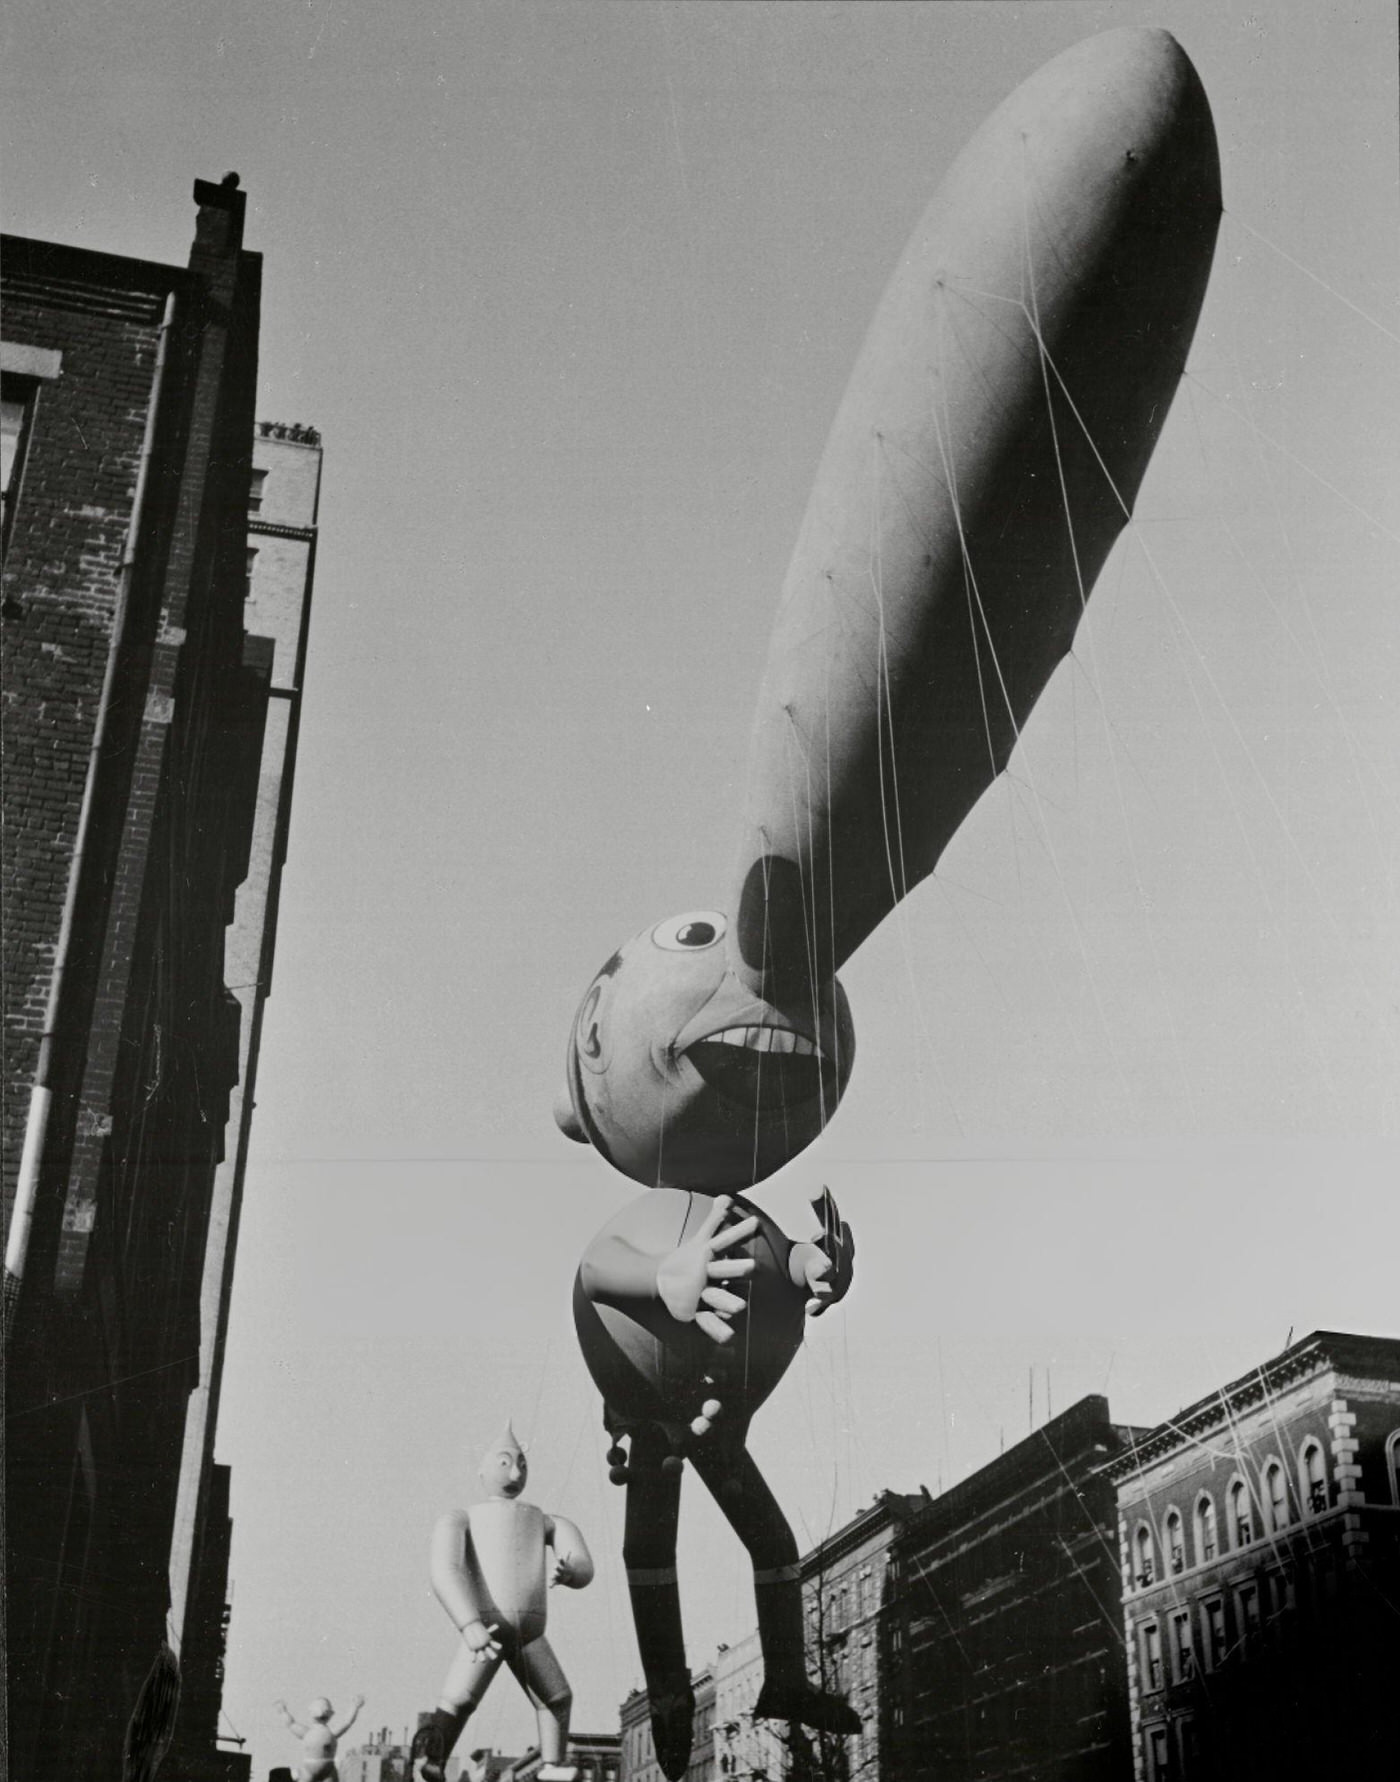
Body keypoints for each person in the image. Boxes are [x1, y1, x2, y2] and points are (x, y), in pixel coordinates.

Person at [411, 1425, 593, 1782]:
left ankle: (552, 1766)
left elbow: (582, 1562)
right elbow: (445, 1570)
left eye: (521, 1464)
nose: (515, 1473)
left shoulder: (545, 1521)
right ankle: (431, 1761)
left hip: (528, 1632)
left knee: (557, 1697)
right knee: (459, 1699)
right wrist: (469, 1623)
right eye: (506, 1463)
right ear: (483, 1470)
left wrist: (571, 1570)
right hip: (487, 1627)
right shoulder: (461, 1517)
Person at [272, 1694, 364, 1782]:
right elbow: (347, 1722)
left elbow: (291, 1724)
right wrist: (355, 1707)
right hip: (319, 1769)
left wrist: (283, 1711)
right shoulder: (326, 1733)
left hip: (322, 1769)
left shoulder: (313, 1733)